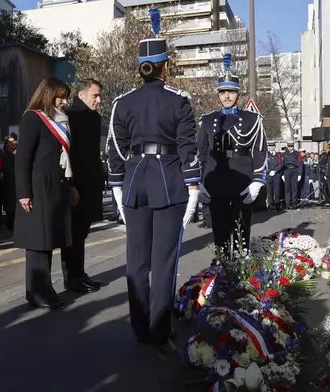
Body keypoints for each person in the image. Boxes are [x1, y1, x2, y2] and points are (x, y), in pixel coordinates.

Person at [106, 8, 201, 347]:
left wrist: (117, 185)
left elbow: (115, 148)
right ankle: (160, 328)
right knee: (163, 262)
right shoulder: (179, 101)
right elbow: (188, 147)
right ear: (165, 65)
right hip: (169, 180)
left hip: (134, 181)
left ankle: (139, 326)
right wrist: (193, 186)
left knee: (136, 261)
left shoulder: (122, 102)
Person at [15, 76, 75, 310]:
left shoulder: (59, 121)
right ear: (48, 95)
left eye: (65, 98)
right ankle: (37, 292)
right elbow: (23, 158)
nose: (63, 102)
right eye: (60, 97)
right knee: (37, 242)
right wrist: (23, 193)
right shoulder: (33, 118)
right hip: (38, 187)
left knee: (48, 240)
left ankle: (44, 288)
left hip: (55, 185)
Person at [197, 53, 268, 251]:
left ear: (238, 93)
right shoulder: (208, 119)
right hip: (216, 181)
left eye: (231, 92)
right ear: (218, 94)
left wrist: (257, 180)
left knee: (242, 233)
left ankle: (241, 275)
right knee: (219, 235)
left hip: (242, 181)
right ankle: (222, 274)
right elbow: (200, 153)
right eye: (222, 92)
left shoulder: (252, 119)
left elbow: (259, 150)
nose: (226, 96)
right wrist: (198, 182)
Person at [61, 79, 106, 293]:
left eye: (99, 96)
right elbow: (68, 154)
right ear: (81, 95)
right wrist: (70, 184)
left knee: (83, 232)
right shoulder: (70, 116)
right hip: (76, 182)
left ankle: (79, 272)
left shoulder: (93, 117)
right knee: (73, 232)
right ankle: (71, 277)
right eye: (94, 95)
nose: (98, 100)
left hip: (90, 182)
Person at [277, 141, 302, 209]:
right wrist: (282, 174)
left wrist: (299, 174)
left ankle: (294, 204)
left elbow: (300, 163)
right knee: (287, 188)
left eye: (291, 146)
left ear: (293, 146)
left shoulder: (297, 154)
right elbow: (281, 164)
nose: (290, 147)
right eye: (289, 146)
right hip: (286, 171)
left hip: (294, 171)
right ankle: (287, 204)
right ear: (287, 146)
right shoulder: (284, 154)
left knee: (294, 188)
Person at [266, 141, 282, 210]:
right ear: (268, 147)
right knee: (270, 191)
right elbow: (264, 165)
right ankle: (271, 204)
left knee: (277, 190)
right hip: (269, 175)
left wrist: (275, 171)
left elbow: (281, 164)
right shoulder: (266, 155)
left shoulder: (278, 155)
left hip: (276, 174)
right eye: (270, 146)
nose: (271, 147)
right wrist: (269, 171)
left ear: (275, 147)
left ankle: (277, 204)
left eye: (272, 146)